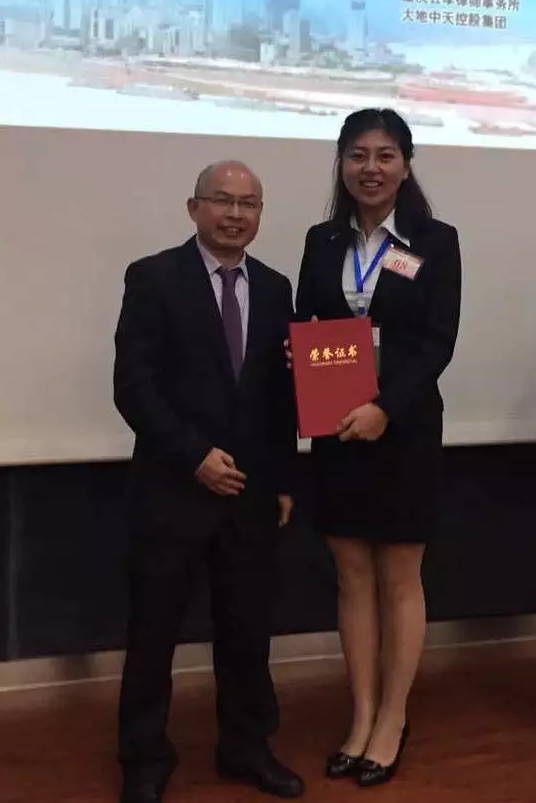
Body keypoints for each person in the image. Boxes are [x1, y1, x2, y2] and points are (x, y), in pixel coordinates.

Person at [113, 160, 304, 803]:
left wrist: (283, 480)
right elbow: (134, 387)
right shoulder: (153, 278)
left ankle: (246, 748)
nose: (235, 214)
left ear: (260, 214)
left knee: (247, 632)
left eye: (248, 204)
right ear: (193, 207)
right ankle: (143, 758)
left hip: (250, 493)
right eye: (221, 200)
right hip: (172, 488)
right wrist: (194, 455)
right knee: (152, 634)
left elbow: (277, 397)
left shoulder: (275, 288)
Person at [293, 108, 461, 787]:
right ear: (341, 163)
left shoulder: (433, 241)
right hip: (337, 428)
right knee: (352, 575)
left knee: (398, 577)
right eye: (358, 154)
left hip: (404, 429)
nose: (371, 168)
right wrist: (297, 355)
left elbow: (437, 342)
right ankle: (361, 714)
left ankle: (393, 718)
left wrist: (385, 407)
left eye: (385, 155)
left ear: (406, 164)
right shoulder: (322, 239)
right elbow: (308, 321)